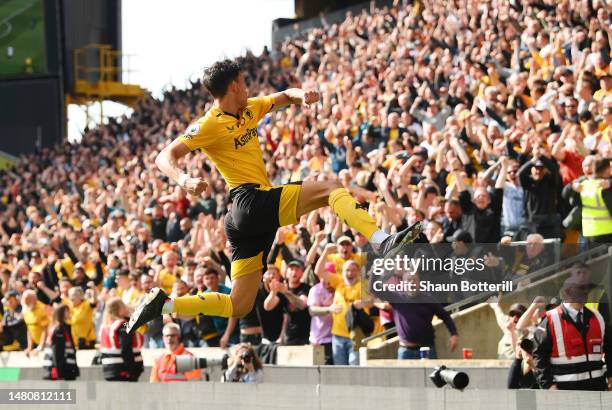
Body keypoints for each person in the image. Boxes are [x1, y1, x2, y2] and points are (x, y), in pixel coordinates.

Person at [127, 59, 422, 334]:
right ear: (233, 86)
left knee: (239, 305)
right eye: (244, 82)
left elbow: (284, 96)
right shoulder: (209, 123)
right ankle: (381, 240)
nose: (247, 88)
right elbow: (165, 156)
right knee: (330, 188)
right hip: (250, 201)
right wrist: (184, 179)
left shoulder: (250, 108)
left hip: (247, 220)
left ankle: (165, 305)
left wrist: (301, 94)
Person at [533, 276, 611, 391]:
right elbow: (539, 355)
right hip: (565, 390)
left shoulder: (598, 317)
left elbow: (610, 349)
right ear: (566, 293)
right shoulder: (550, 319)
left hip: (596, 389)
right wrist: (548, 385)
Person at [99, 297, 144, 382]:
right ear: (119, 310)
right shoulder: (122, 325)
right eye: (123, 306)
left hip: (110, 370)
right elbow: (126, 348)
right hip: (123, 371)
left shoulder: (105, 326)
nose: (126, 307)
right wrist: (132, 371)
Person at [42, 304, 79, 381]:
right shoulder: (59, 329)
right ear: (62, 313)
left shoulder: (61, 327)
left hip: (66, 368)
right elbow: (57, 351)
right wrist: (59, 372)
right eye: (67, 311)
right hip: (64, 370)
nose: (69, 313)